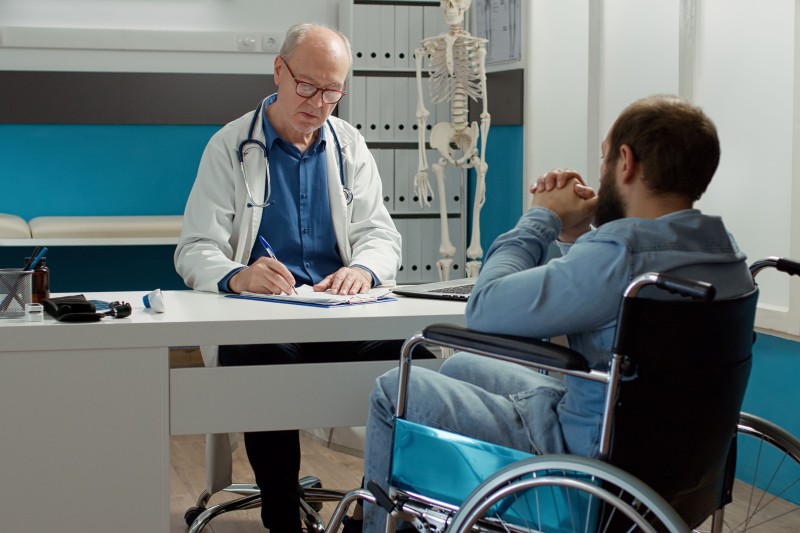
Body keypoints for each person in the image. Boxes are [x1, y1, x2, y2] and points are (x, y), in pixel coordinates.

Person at [357, 94, 756, 532]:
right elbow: (593, 295)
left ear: (626, 162)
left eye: (603, 160)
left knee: (394, 388)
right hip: (672, 466)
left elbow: (486, 307)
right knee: (465, 366)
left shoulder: (621, 256)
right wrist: (575, 233)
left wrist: (541, 217)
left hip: (582, 459)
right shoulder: (725, 256)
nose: (600, 175)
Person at [175, 23, 423, 533]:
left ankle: (380, 508)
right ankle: (282, 514)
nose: (318, 102)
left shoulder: (349, 145)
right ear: (278, 71)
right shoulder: (230, 146)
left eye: (332, 91)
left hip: (337, 316)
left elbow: (382, 236)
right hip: (266, 319)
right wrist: (240, 276)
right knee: (258, 357)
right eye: (306, 85)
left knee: (411, 356)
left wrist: (362, 268)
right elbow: (195, 247)